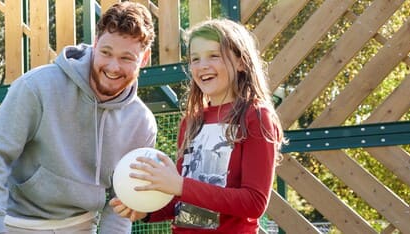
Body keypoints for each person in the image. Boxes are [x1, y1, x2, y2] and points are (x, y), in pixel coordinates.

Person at [0, 2, 158, 233]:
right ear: (95, 44)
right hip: (15, 222)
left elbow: (120, 201)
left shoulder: (142, 123)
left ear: (144, 59)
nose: (113, 66)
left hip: (81, 224)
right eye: (106, 52)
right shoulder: (36, 87)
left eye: (126, 58)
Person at [109, 18, 286, 233]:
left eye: (214, 55)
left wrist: (180, 185)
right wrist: (146, 212)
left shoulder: (256, 117)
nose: (202, 65)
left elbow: (254, 202)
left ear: (241, 62)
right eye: (195, 59)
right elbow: (185, 203)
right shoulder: (191, 122)